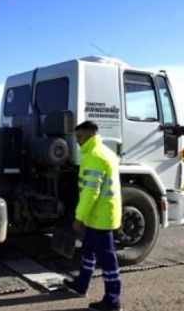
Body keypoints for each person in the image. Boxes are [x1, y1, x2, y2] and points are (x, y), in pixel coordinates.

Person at [65, 120, 123, 311]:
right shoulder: (103, 152)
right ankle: (81, 284)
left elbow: (91, 192)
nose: (78, 142)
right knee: (88, 251)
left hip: (100, 217)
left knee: (107, 259)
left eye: (80, 137)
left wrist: (78, 217)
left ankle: (113, 300)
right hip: (98, 215)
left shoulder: (95, 156)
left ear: (90, 135)